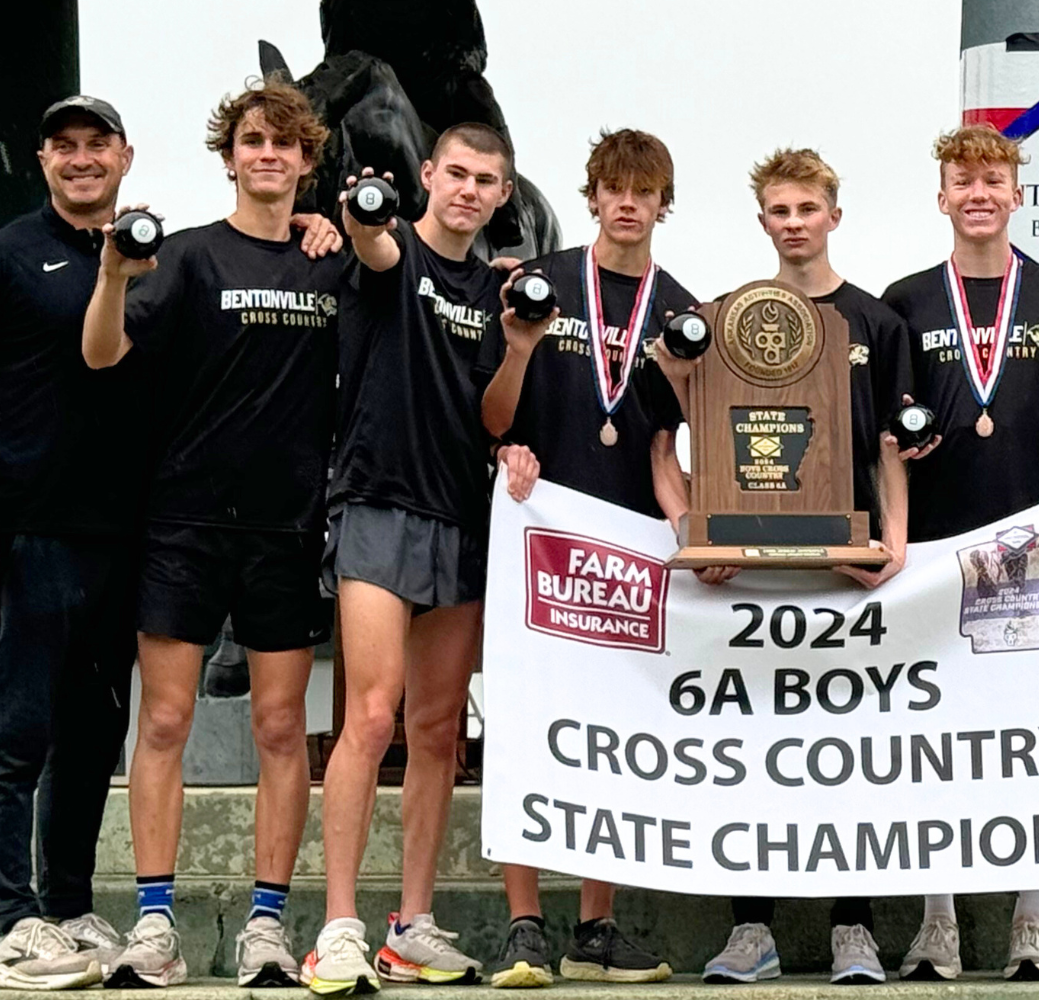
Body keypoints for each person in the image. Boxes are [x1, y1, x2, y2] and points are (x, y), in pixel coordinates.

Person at [80, 79, 346, 991]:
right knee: (164, 720)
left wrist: (341, 234)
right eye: (251, 141)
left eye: (284, 144)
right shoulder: (188, 258)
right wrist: (113, 276)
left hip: (284, 531)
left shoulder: (330, 262)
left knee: (280, 725)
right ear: (228, 156)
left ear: (307, 161)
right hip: (184, 521)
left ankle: (266, 928)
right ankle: (153, 925)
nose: (267, 155)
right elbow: (101, 355)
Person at [0, 95, 147, 992]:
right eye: (64, 146)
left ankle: (68, 903)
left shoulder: (156, 255)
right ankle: (11, 926)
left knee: (93, 736)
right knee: (14, 734)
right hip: (22, 531)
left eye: (97, 145)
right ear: (43, 160)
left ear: (127, 155)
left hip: (123, 537)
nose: (82, 159)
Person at [877, 123, 1039, 983]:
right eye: (962, 181)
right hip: (935, 551)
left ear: (1018, 194)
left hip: (1032, 547)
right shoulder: (905, 301)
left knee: (1028, 737)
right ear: (941, 197)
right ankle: (938, 920)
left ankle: (1029, 919)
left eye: (993, 180)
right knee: (938, 738)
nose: (978, 194)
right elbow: (887, 434)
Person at [474, 127, 696, 988]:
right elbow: (494, 418)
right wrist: (508, 451)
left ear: (664, 205)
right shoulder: (539, 284)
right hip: (539, 528)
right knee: (527, 719)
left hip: (630, 540)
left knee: (617, 731)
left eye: (645, 191)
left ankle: (593, 929)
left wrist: (689, 526)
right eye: (614, 188)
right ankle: (524, 923)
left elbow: (674, 443)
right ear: (594, 196)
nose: (629, 203)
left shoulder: (685, 308)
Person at [304, 123, 518, 995]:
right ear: (427, 175)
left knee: (437, 732)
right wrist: (359, 210)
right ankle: (340, 925)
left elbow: (498, 418)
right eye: (456, 173)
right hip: (378, 506)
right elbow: (371, 239)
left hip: (462, 519)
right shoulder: (395, 257)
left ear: (504, 195)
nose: (468, 189)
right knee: (370, 716)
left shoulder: (506, 292)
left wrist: (527, 338)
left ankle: (411, 925)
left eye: (486, 180)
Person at [697, 147, 915, 987]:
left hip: (845, 573)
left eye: (808, 208)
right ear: (763, 223)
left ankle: (851, 929)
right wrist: (700, 530)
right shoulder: (720, 318)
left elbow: (895, 445)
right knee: (751, 755)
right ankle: (750, 928)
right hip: (750, 576)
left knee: (846, 756)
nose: (795, 223)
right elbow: (672, 431)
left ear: (834, 215)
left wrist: (892, 541)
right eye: (780, 211)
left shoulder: (877, 323)